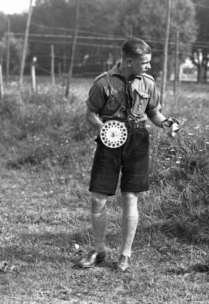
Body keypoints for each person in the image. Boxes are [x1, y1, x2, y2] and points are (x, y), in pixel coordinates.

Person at [79, 38, 180, 271]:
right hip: (110, 139)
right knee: (98, 198)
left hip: (137, 140)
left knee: (130, 197)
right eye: (145, 62)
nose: (149, 66)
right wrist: (103, 129)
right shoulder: (103, 83)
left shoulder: (148, 83)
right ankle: (98, 250)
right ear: (128, 61)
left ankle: (125, 254)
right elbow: (90, 113)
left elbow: (154, 112)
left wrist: (166, 124)